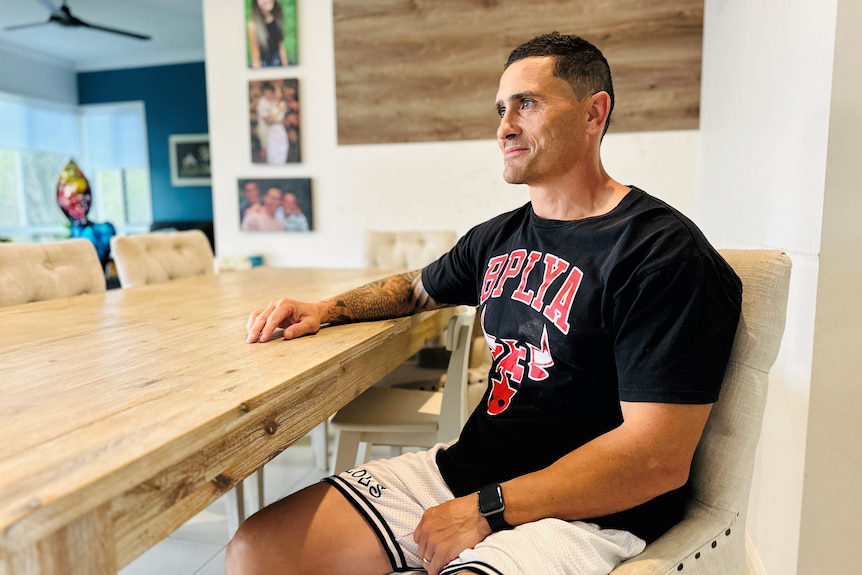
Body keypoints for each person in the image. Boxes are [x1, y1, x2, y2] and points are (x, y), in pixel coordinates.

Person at [232, 32, 743, 575]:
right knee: (260, 550)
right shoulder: (497, 237)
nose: (505, 126)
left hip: (584, 513)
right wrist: (324, 308)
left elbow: (655, 458)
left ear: (595, 113)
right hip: (468, 470)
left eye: (528, 103)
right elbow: (416, 288)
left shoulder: (659, 251)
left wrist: (487, 509)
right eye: (501, 108)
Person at [247, 0, 289, 68]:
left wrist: (287, 70)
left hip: (277, 63)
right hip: (263, 67)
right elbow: (255, 56)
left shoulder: (277, 17)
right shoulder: (252, 26)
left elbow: (280, 47)